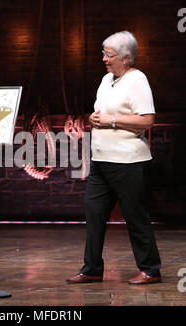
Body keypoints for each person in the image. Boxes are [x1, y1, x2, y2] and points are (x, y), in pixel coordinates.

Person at [66, 31, 162, 285]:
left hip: (128, 162)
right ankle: (93, 268)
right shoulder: (107, 79)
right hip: (101, 161)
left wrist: (112, 121)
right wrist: (93, 118)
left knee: (136, 216)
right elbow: (102, 113)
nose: (104, 59)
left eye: (109, 55)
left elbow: (147, 120)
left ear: (126, 57)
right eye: (104, 54)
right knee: (94, 214)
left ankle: (151, 269)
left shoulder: (137, 79)